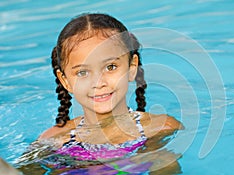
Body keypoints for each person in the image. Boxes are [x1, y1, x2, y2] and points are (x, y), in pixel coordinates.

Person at [38, 13, 183, 161]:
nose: (98, 83)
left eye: (110, 67)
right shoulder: (53, 139)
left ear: (132, 67)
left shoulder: (159, 128)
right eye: (83, 72)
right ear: (65, 81)